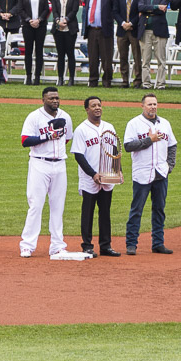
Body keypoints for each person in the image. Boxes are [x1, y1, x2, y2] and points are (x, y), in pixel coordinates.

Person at [20, 86, 74, 259]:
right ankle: (27, 245)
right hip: (39, 164)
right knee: (36, 204)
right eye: (51, 98)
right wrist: (46, 137)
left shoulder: (65, 116)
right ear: (43, 99)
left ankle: (57, 245)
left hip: (59, 165)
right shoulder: (34, 117)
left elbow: (66, 139)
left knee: (58, 206)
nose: (55, 101)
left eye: (57, 98)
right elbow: (25, 141)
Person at [121, 93, 177, 255]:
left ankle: (158, 243)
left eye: (155, 104)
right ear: (142, 106)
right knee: (136, 210)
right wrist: (148, 140)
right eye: (149, 104)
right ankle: (131, 244)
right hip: (142, 173)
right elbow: (128, 146)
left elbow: (172, 145)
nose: (153, 107)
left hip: (161, 172)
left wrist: (170, 165)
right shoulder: (134, 124)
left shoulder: (165, 123)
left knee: (159, 209)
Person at [70, 95, 120, 257]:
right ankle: (87, 245)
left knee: (105, 212)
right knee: (88, 213)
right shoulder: (81, 130)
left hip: (107, 177)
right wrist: (93, 174)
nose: (97, 108)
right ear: (87, 109)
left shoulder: (109, 127)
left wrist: (117, 170)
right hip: (89, 179)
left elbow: (114, 151)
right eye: (93, 106)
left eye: (99, 105)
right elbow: (78, 155)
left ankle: (106, 246)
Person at [14, 0, 51, 85]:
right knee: (28, 51)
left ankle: (37, 77)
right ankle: (29, 76)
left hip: (40, 25)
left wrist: (39, 20)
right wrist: (29, 20)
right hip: (27, 25)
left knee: (39, 51)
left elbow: (46, 8)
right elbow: (20, 9)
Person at [81, 0, 114, 87]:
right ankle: (93, 80)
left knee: (106, 58)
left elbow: (113, 10)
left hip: (104, 30)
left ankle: (107, 81)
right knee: (93, 58)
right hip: (91, 30)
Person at [113, 0, 145, 88]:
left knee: (137, 56)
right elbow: (115, 11)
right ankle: (125, 80)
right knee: (123, 56)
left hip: (135, 29)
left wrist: (131, 23)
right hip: (122, 30)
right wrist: (122, 23)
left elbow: (141, 11)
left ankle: (137, 80)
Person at [51, 0, 81, 86]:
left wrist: (66, 20)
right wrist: (58, 21)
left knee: (70, 53)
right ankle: (60, 78)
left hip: (70, 28)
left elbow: (74, 11)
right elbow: (54, 11)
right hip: (58, 29)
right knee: (60, 54)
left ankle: (71, 78)